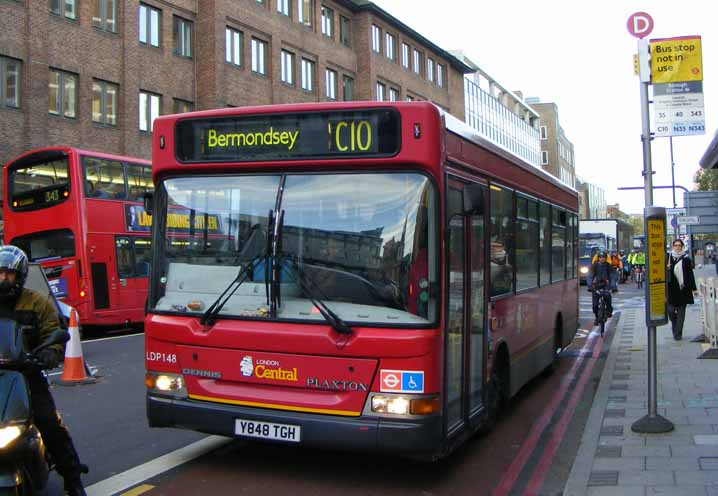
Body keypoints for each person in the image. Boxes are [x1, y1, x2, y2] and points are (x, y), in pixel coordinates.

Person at [0, 246, 87, 496]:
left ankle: (72, 478)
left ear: (21, 275)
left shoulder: (36, 302)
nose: (4, 279)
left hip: (25, 376)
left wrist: (51, 352)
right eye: (0, 273)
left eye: (9, 274)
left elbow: (54, 331)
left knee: (49, 423)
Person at [666, 239, 697, 341]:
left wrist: (694, 289)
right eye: (675, 245)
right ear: (673, 246)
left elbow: (690, 275)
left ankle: (678, 334)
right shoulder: (668, 258)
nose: (677, 247)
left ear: (682, 247)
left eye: (679, 245)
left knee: (681, 313)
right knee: (670, 311)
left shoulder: (686, 259)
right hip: (671, 290)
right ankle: (675, 325)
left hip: (683, 289)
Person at [587, 251, 616, 326]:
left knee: (607, 296)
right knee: (595, 305)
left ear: (606, 258)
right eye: (600, 257)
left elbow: (612, 276)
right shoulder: (594, 266)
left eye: (603, 257)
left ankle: (609, 311)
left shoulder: (609, 266)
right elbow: (590, 275)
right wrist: (590, 286)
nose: (602, 259)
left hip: (606, 285)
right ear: (598, 258)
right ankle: (597, 317)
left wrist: (613, 286)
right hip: (596, 285)